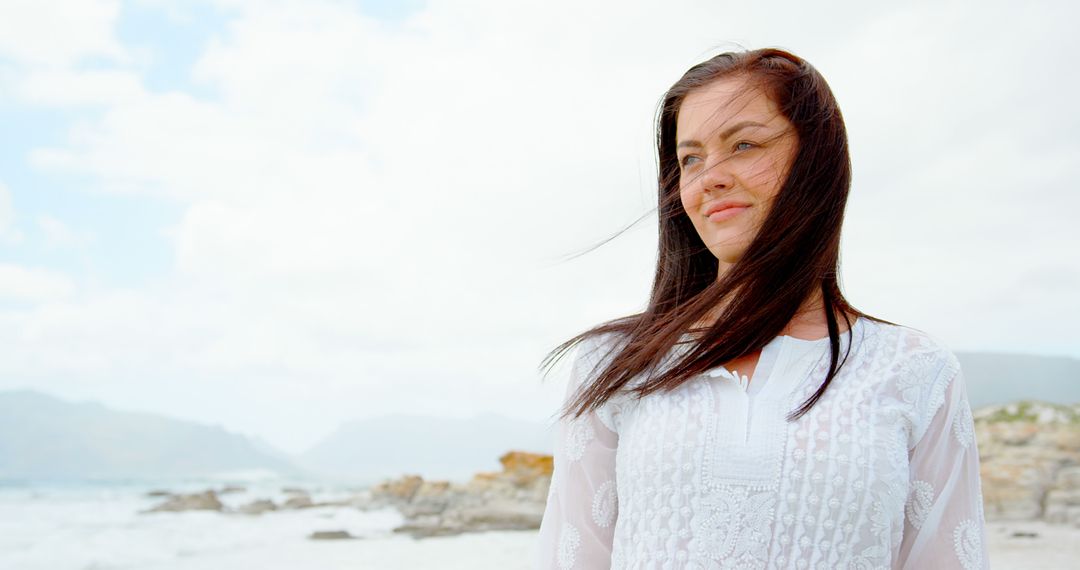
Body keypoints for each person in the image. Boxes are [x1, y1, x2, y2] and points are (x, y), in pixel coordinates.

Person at [535, 47, 989, 569]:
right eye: (691, 159)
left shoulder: (913, 370)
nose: (711, 178)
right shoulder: (614, 363)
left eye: (744, 144)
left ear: (815, 160)